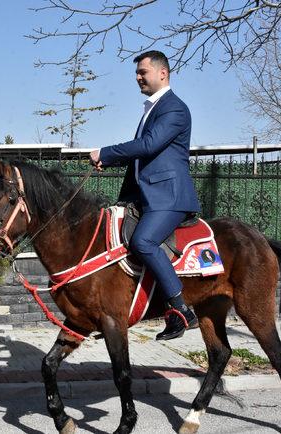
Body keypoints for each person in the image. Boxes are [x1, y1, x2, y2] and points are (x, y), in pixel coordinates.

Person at [89, 50, 200, 340]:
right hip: (148, 197)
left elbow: (148, 146)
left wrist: (107, 153)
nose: (138, 77)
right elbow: (141, 160)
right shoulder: (151, 109)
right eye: (136, 73)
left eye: (143, 72)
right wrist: (123, 199)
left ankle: (181, 310)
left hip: (170, 198)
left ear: (163, 73)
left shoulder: (174, 108)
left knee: (144, 241)